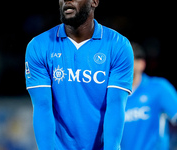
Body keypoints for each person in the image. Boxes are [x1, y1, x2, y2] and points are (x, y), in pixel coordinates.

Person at [25, 0, 134, 149]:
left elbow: (115, 106)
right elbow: (42, 107)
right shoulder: (39, 45)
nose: (67, 1)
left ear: (94, 2)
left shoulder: (118, 46)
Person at [121, 42, 177, 150]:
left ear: (141, 63)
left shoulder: (159, 88)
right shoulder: (111, 96)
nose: (122, 64)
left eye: (127, 59)